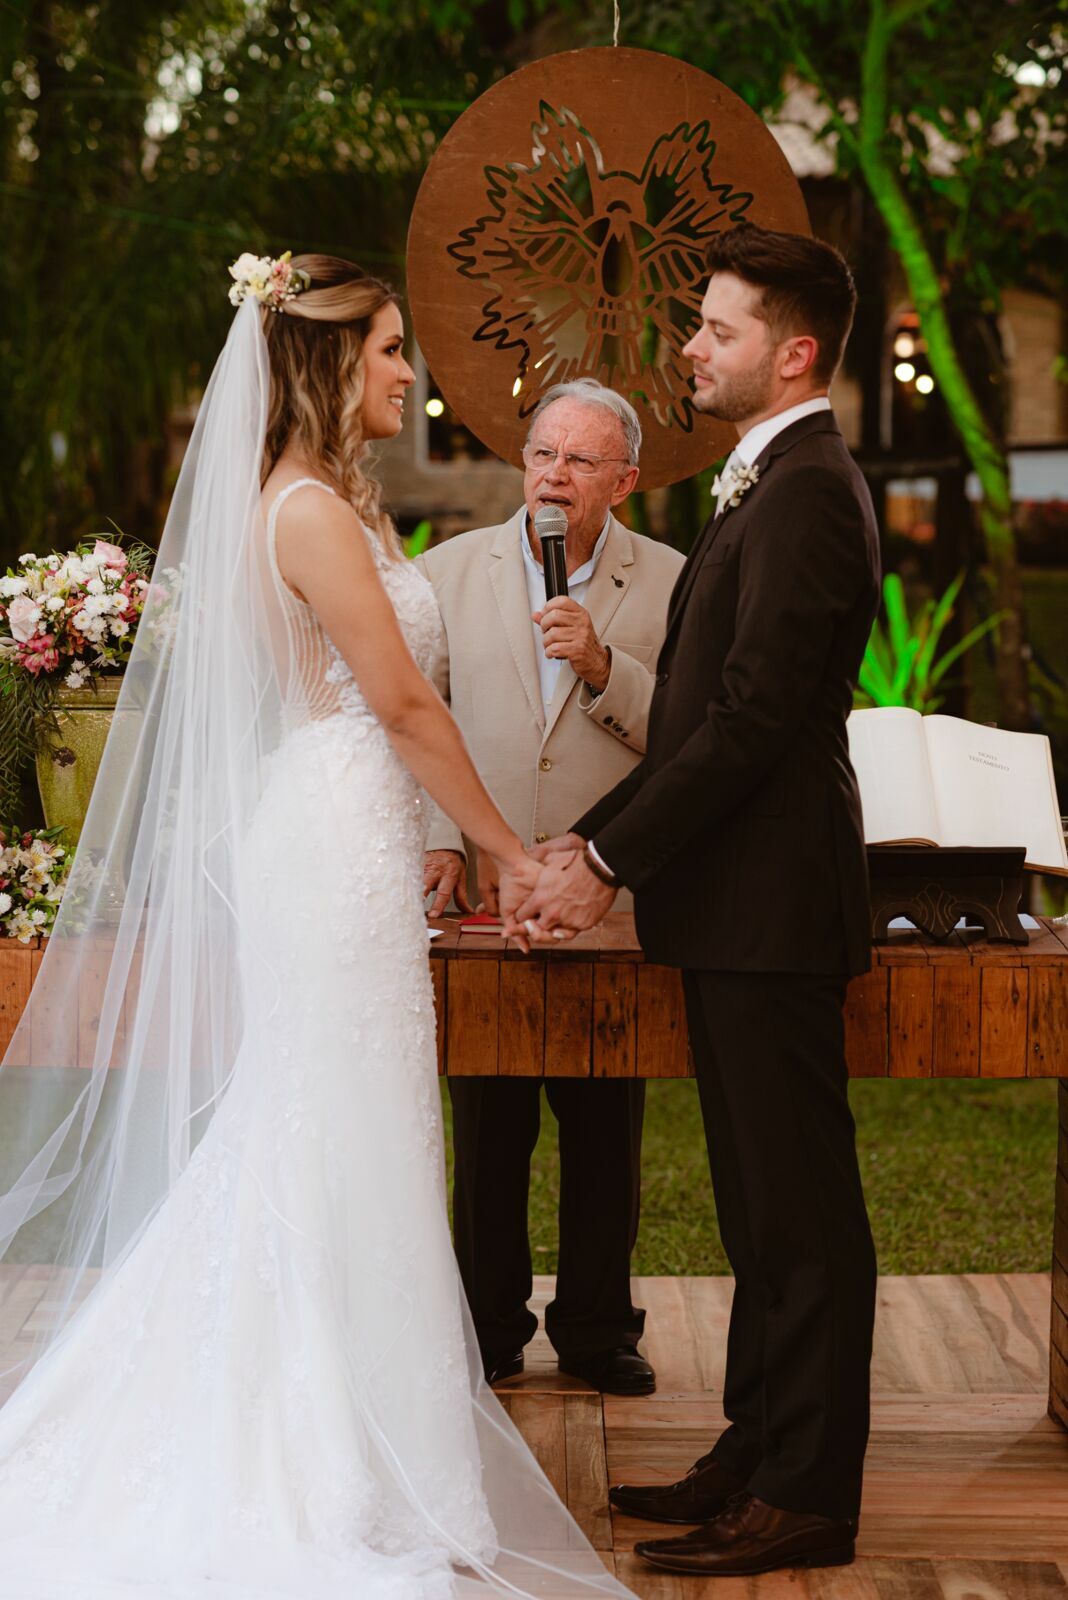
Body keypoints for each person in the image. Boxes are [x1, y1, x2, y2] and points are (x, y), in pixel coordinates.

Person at [0, 252, 635, 1600]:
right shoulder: (306, 513)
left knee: (359, 1130)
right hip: (330, 842)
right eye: (394, 349)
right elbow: (402, 706)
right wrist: (510, 851)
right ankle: (318, 1457)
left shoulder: (342, 502)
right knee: (329, 1124)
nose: (412, 374)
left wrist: (433, 846)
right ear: (328, 360)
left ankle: (360, 1430)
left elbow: (376, 708)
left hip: (354, 835)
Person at [503, 222, 881, 1579]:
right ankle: (753, 1454)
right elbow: (700, 735)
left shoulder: (809, 491)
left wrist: (600, 862)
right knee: (756, 1208)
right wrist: (595, 844)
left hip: (774, 909)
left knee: (804, 1219)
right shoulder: (766, 484)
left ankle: (809, 1497)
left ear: (789, 351)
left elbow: (753, 721)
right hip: (734, 908)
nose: (691, 347)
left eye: (717, 329)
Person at [417, 379, 684, 1394]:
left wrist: (607, 664)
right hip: (485, 890)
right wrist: (443, 837)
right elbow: (418, 720)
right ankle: (485, 1323)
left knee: (606, 1120)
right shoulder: (447, 572)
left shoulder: (671, 580)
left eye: (579, 462)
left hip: (603, 893)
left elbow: (692, 740)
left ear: (625, 477)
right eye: (541, 455)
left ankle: (598, 1325)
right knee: (487, 1121)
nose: (554, 478)